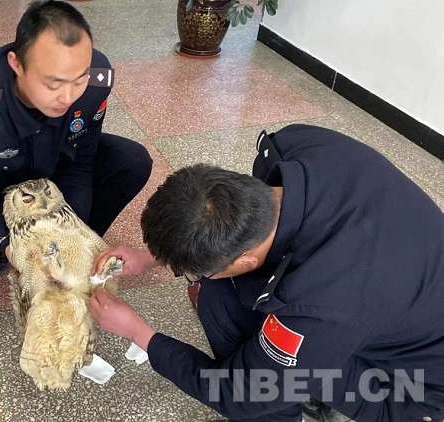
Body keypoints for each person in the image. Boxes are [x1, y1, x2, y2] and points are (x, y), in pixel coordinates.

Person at [90, 124, 444, 422]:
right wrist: (156, 257)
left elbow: (238, 393)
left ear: (244, 260)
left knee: (260, 376)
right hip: (394, 300)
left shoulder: (318, 305)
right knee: (218, 293)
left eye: (194, 271)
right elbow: (232, 226)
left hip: (410, 388)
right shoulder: (297, 145)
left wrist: (139, 333)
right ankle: (299, 379)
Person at [0, 0, 152, 276]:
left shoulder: (96, 80)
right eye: (54, 84)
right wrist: (9, 247)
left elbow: (81, 164)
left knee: (132, 162)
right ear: (16, 64)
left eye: (79, 79)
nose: (68, 97)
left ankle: (78, 240)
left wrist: (73, 239)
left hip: (57, 160)